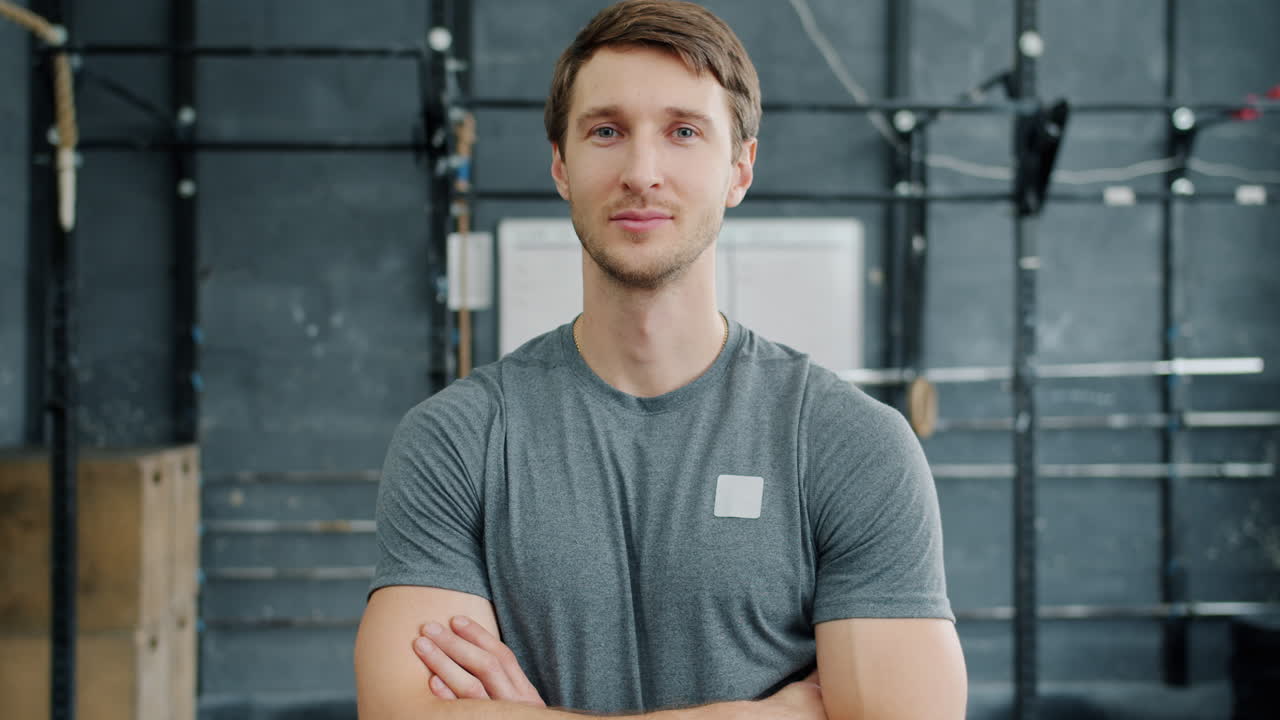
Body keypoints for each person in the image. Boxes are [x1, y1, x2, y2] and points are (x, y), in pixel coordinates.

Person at [354, 1, 967, 718]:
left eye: (683, 132)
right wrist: (770, 713)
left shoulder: (849, 443)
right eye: (606, 131)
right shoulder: (457, 441)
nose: (642, 172)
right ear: (560, 165)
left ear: (740, 168)